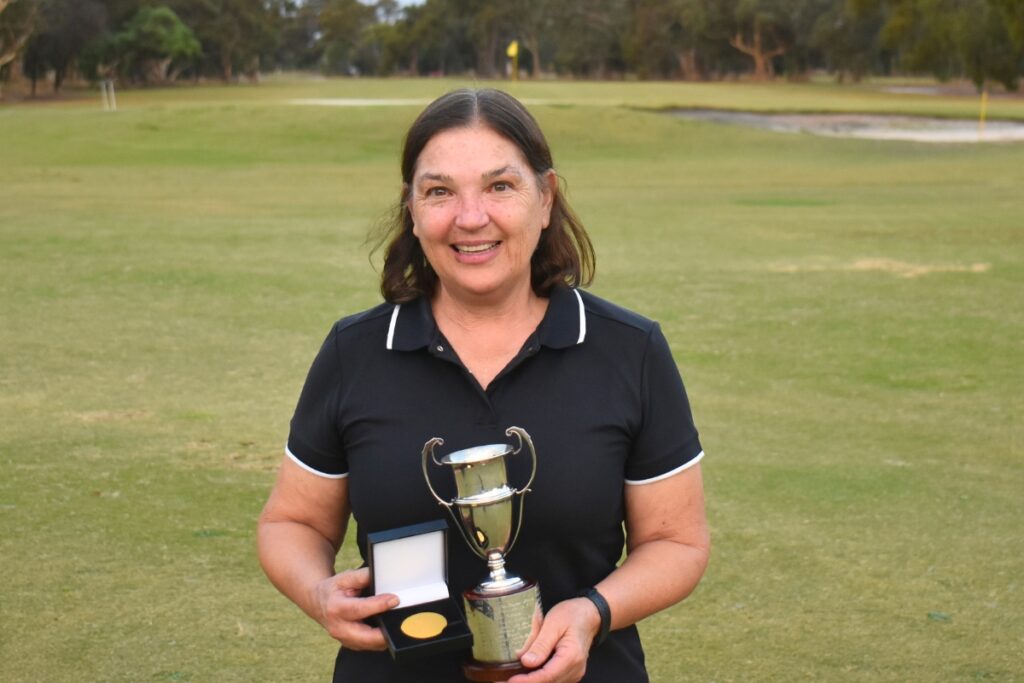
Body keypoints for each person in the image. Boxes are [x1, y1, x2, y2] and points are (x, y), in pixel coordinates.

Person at [258, 88, 709, 683]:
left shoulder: (629, 350)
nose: (471, 218)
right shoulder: (356, 352)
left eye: (500, 186)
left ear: (545, 198)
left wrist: (592, 613)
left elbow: (677, 543)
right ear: (412, 210)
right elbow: (294, 524)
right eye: (440, 191)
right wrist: (318, 591)